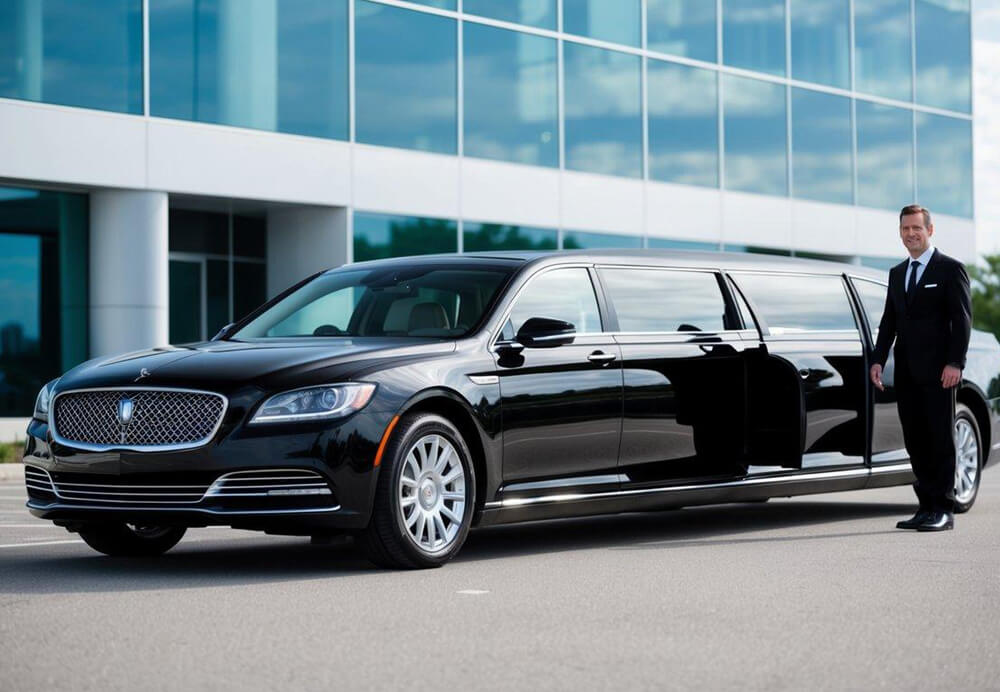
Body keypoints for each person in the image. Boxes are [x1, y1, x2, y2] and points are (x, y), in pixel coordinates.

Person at [869, 204, 972, 532]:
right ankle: (926, 506)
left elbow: (962, 320)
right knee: (915, 440)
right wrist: (878, 359)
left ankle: (943, 509)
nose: (911, 234)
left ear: (930, 230)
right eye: (905, 229)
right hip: (907, 372)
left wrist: (955, 362)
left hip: (940, 373)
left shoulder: (950, 269)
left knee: (940, 439)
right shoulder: (897, 273)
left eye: (916, 228)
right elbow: (889, 320)